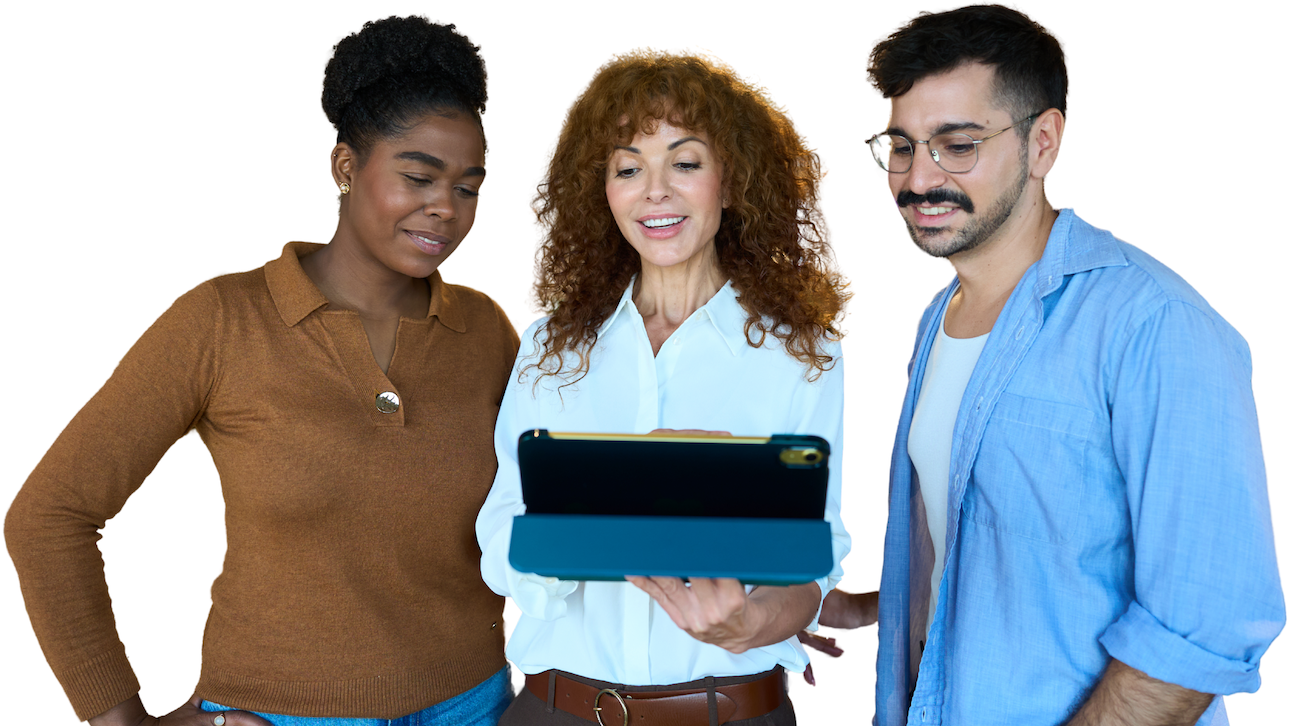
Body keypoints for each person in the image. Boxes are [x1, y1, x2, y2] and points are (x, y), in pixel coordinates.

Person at [6, 16, 519, 726]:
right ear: (345, 168)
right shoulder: (223, 322)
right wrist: (118, 718)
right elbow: (47, 518)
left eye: (468, 187)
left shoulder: (484, 330)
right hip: (277, 714)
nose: (446, 208)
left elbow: (539, 510)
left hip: (475, 704)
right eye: (418, 177)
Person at [855, 5, 1284, 725]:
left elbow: (1203, 624)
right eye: (902, 145)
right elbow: (1015, 540)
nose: (918, 177)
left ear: (1042, 141)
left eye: (956, 145)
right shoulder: (941, 318)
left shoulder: (1155, 327)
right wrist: (880, 600)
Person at [474, 52, 851, 725]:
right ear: (602, 191)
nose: (655, 191)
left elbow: (811, 558)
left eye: (685, 162)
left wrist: (749, 622)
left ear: (731, 183)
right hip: (558, 711)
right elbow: (503, 544)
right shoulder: (551, 347)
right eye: (627, 168)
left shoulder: (804, 355)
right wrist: (610, 510)